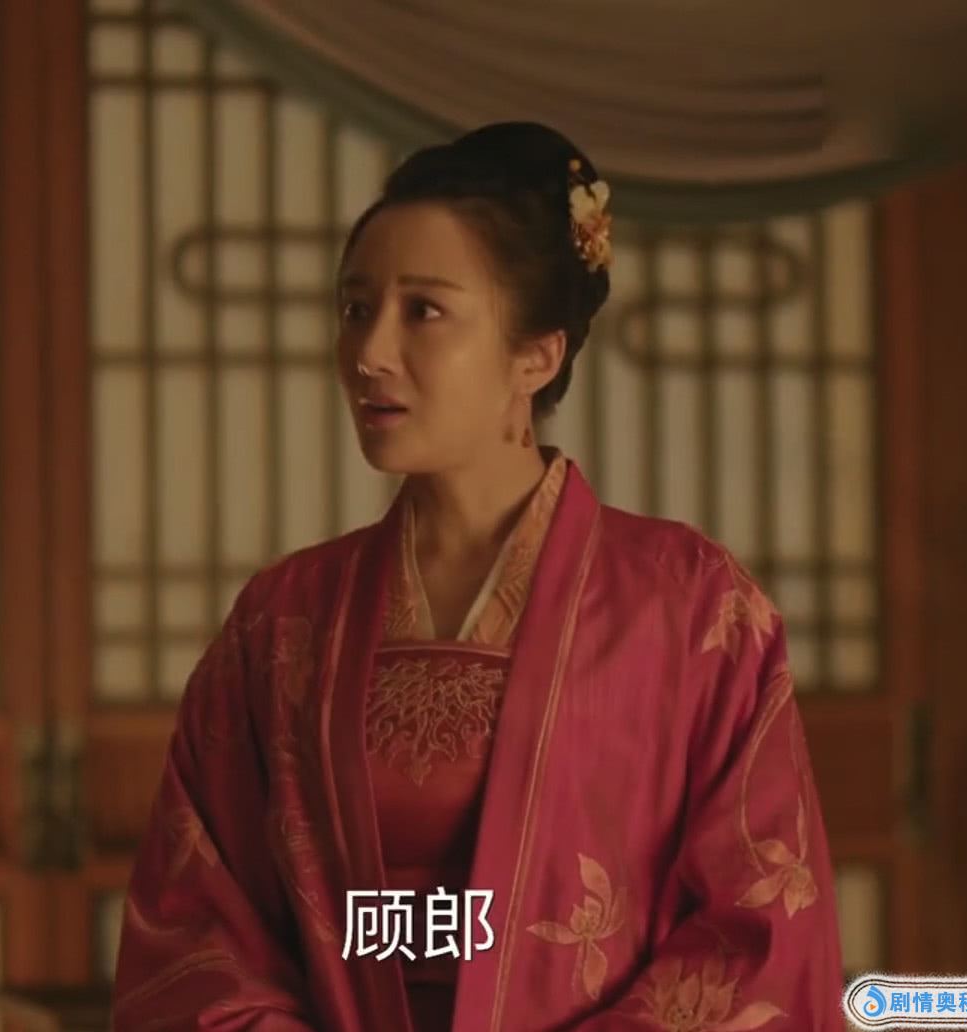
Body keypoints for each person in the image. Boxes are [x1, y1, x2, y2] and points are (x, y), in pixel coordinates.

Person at [110, 122, 845, 1031]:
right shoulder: (285, 617)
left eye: (422, 311)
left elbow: (759, 930)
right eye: (355, 308)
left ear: (536, 354)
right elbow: (197, 926)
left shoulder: (689, 606)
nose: (369, 352)